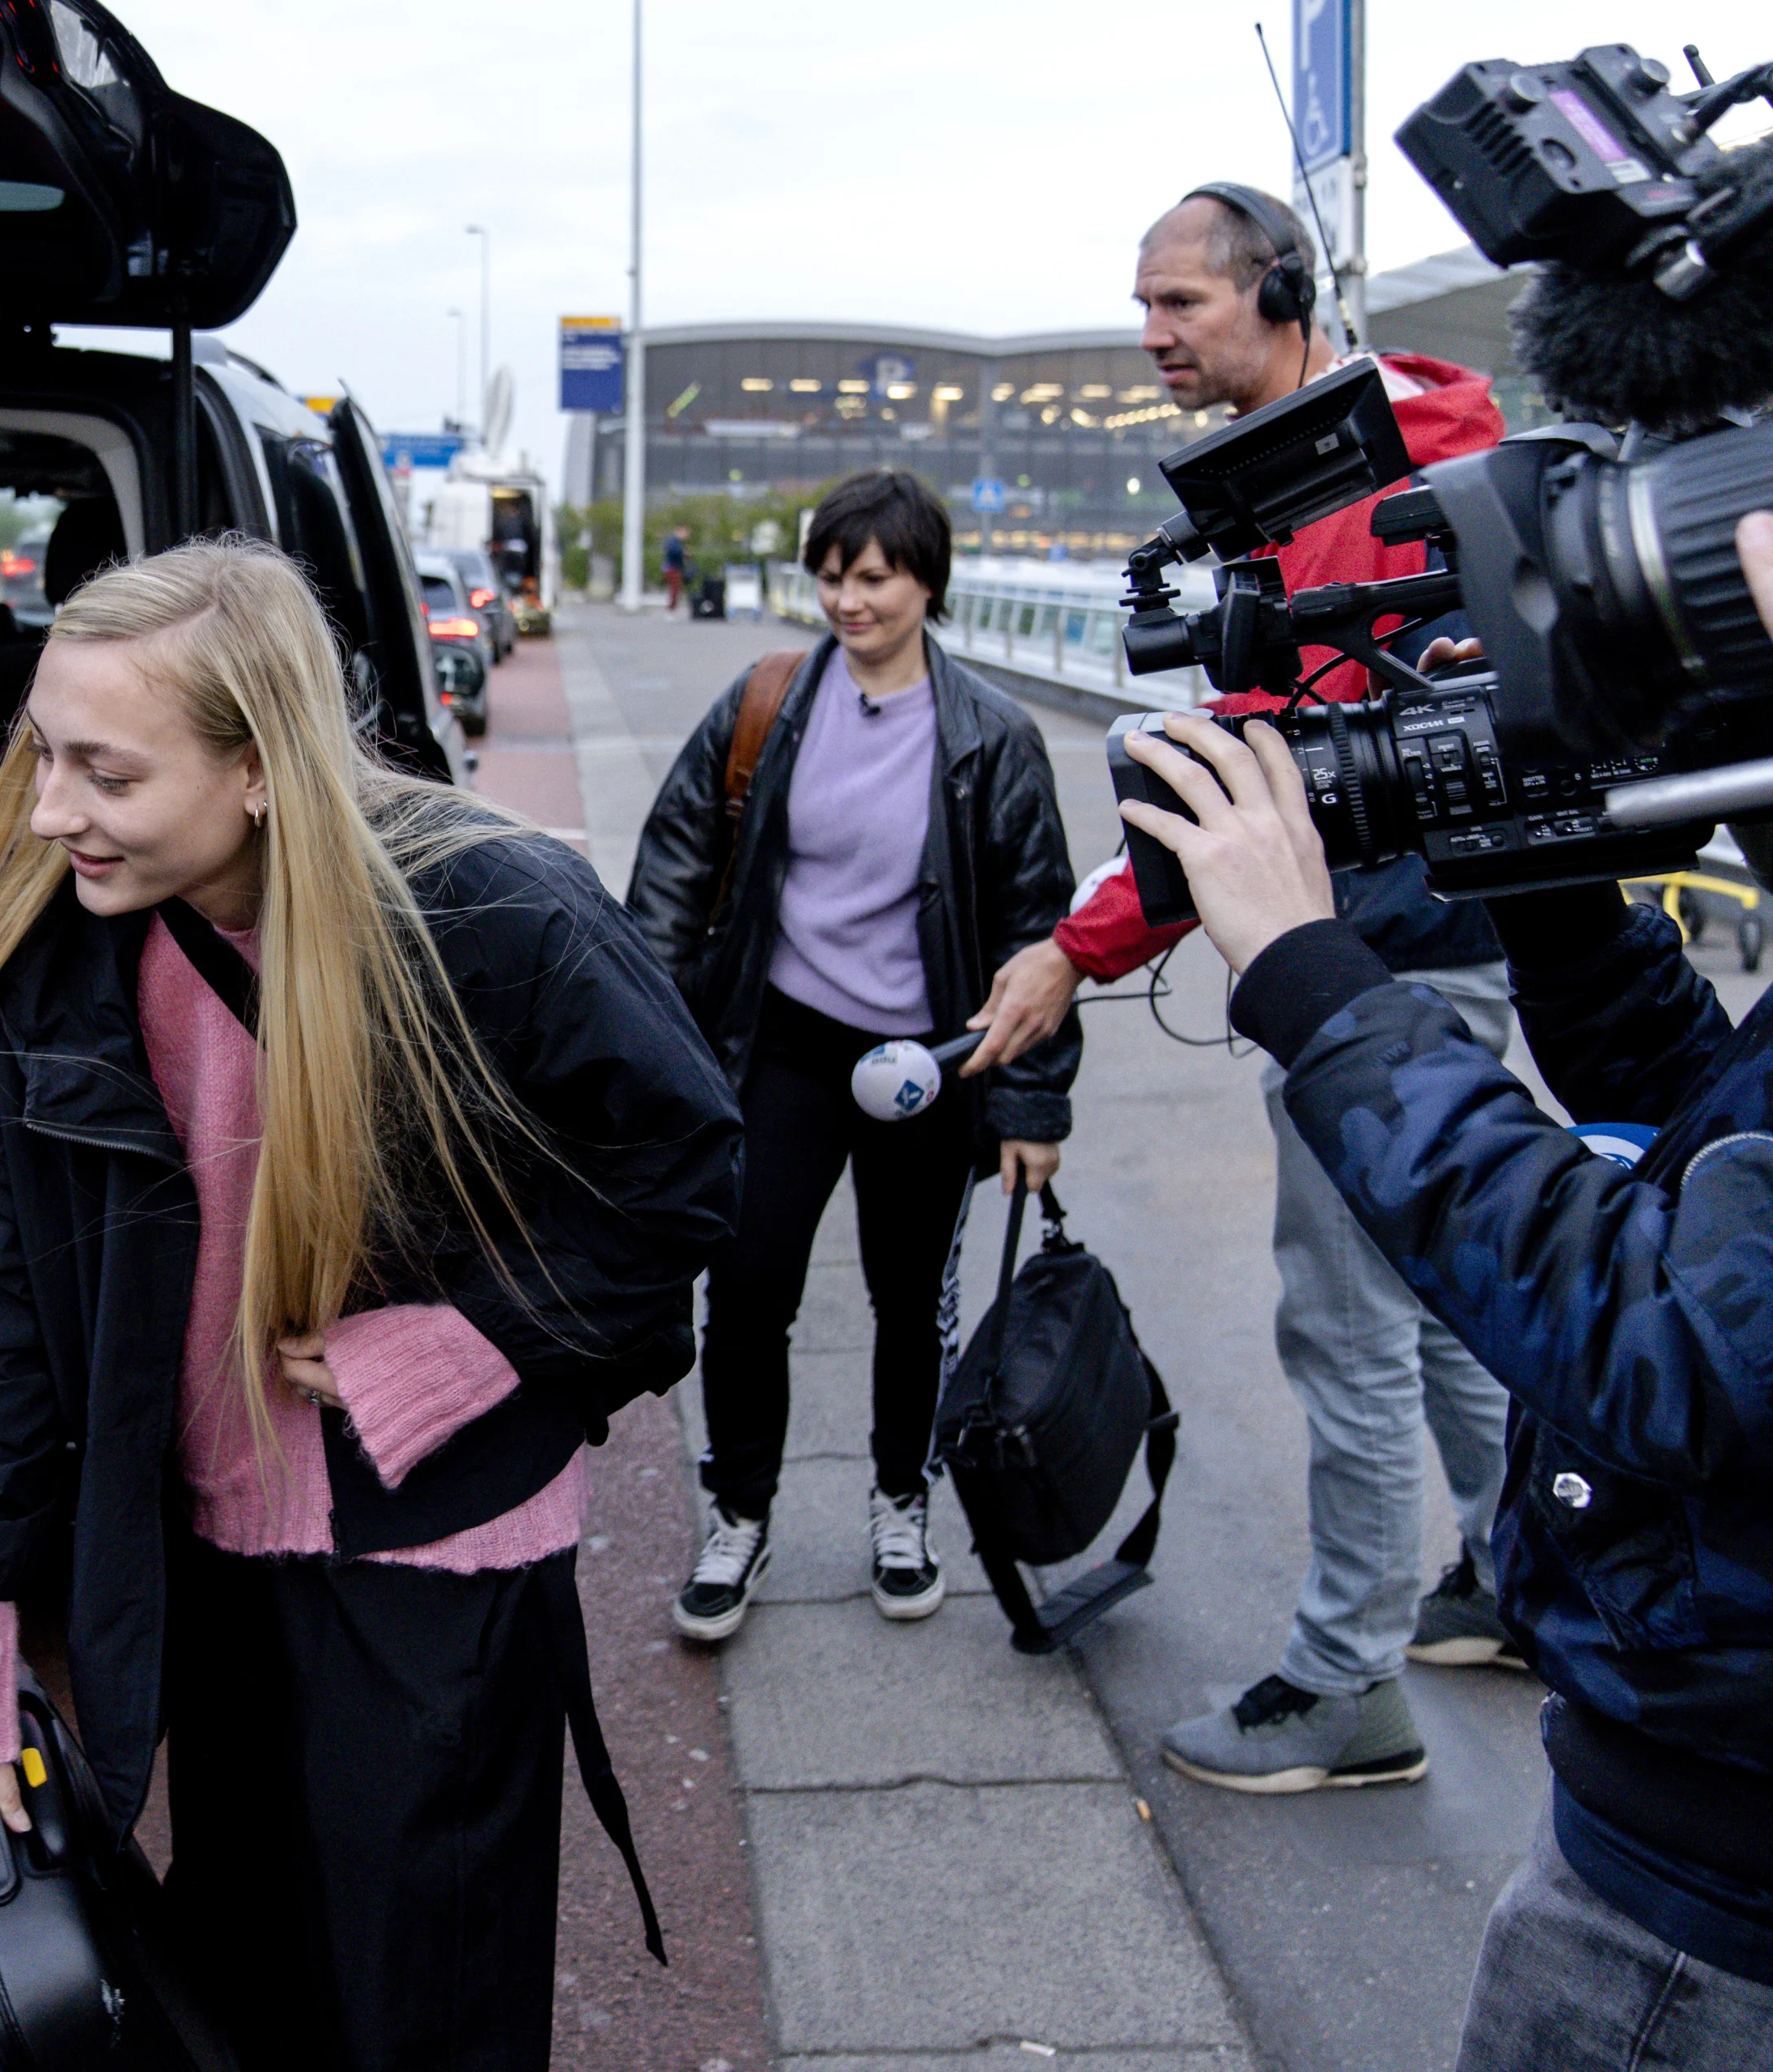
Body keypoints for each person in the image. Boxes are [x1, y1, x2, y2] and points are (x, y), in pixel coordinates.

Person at [0, 537, 741, 2070]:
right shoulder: (53, 931)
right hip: (203, 1543)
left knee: (424, 2008)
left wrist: (472, 1342)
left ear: (262, 768)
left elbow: (684, 1175)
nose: (55, 809)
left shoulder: (497, 912)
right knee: (246, 1986)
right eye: (43, 754)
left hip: (435, 1556)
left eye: (110, 773)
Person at [1109, 509, 1773, 2071]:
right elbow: (1721, 1145)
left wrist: (1306, 970)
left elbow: (1670, 1340)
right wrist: (1551, 894)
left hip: (1705, 1936)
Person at [969, 183, 1525, 1794]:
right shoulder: (1390, 448)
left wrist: (1070, 953)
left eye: (1180, 306)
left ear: (1280, 291)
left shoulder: (1351, 496)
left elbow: (1256, 776)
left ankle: (1347, 1683)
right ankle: (1527, 1581)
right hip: (1450, 940)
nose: (1152, 336)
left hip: (1372, 956)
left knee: (1345, 1328)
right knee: (1444, 1306)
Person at [626, 468, 1078, 1643]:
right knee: (748, 1288)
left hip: (931, 1063)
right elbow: (674, 871)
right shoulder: (770, 700)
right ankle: (738, 1516)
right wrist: (647, 1044)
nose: (846, 600)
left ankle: (899, 1503)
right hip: (782, 1046)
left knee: (908, 1303)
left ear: (925, 580)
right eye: (830, 577)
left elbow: (1040, 929)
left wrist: (1031, 1100)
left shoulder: (992, 737)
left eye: (871, 578)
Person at [663, 524, 690, 613]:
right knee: (674, 589)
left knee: (675, 589)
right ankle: (671, 609)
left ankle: (672, 608)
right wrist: (684, 552)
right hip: (673, 568)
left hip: (674, 567)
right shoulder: (673, 542)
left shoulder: (674, 541)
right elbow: (673, 552)